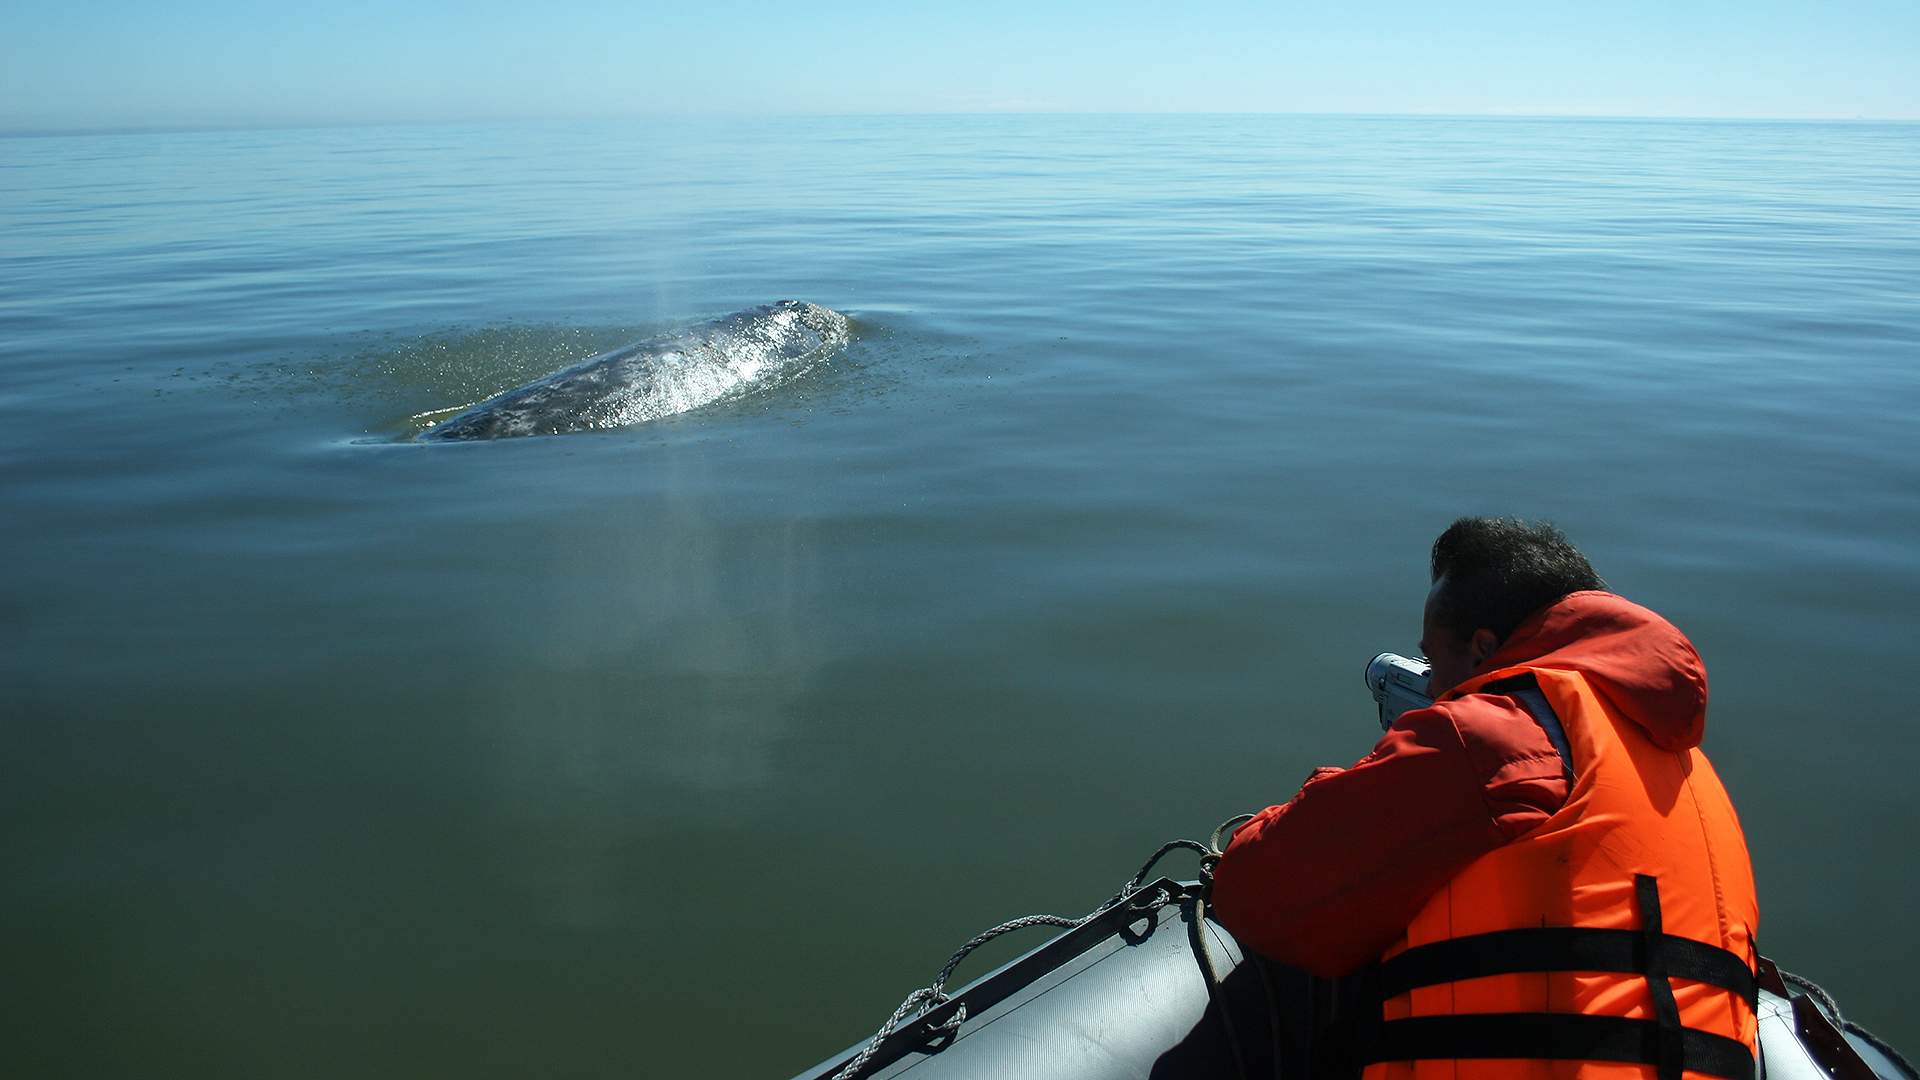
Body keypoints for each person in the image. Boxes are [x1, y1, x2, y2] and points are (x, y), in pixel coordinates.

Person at [1211, 517, 1760, 1080]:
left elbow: (1254, 890)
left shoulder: (1492, 736)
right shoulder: (1689, 769)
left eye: (1433, 659)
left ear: (1483, 648)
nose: (1428, 686)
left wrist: (1338, 784)